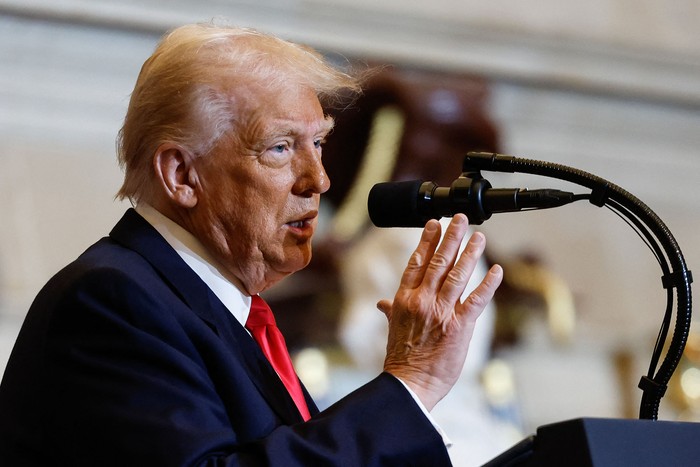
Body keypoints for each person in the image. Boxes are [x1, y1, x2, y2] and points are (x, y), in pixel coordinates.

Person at [0, 22, 503, 466]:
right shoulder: (112, 302)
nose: (319, 180)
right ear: (181, 174)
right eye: (281, 147)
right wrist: (410, 383)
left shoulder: (228, 312)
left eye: (319, 144)